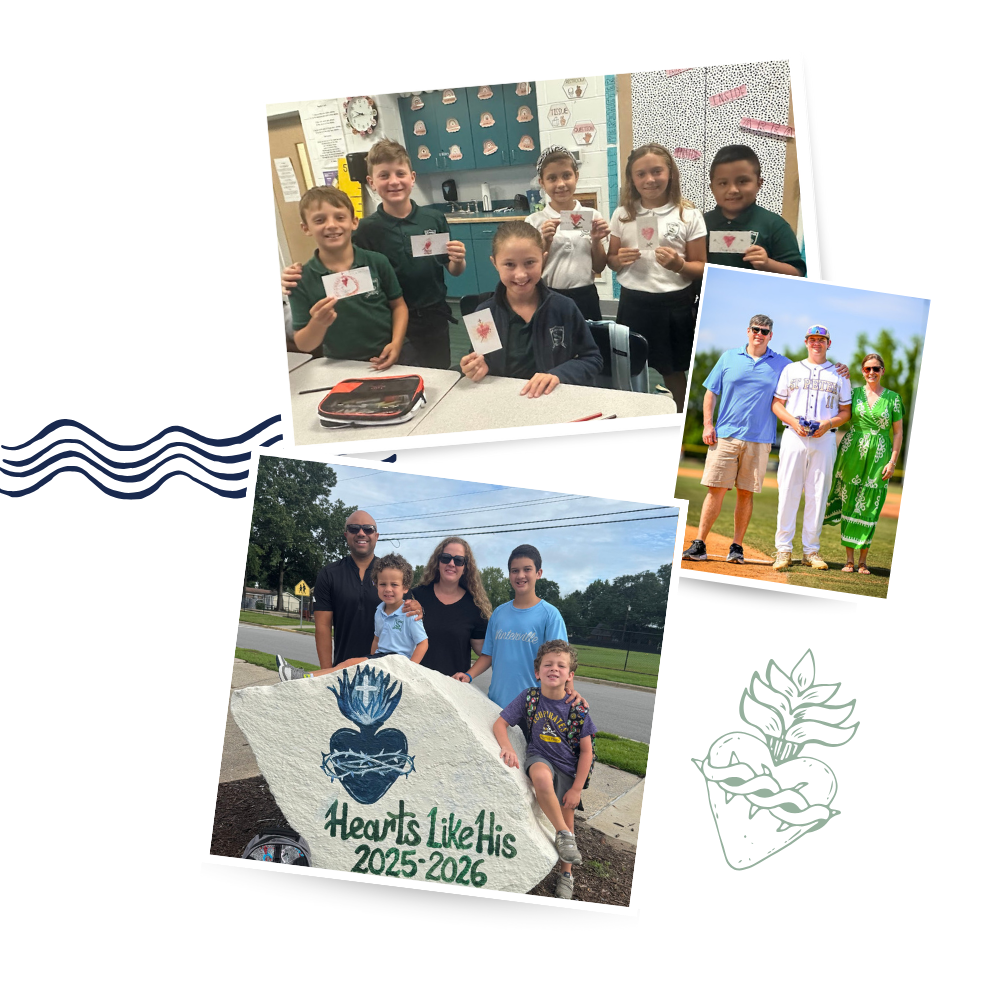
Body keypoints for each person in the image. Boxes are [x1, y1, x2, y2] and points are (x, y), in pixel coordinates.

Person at [283, 140, 467, 370]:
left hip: (434, 314)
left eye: (400, 173)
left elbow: (452, 268)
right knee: (402, 371)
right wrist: (293, 273)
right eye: (384, 175)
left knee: (439, 372)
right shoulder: (364, 230)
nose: (393, 181)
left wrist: (458, 261)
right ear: (371, 182)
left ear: (412, 177)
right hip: (391, 320)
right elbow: (338, 259)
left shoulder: (433, 219)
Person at [682, 317, 849, 565]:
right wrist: (708, 423)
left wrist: (841, 371)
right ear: (748, 331)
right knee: (717, 489)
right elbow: (714, 393)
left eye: (765, 331)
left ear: (771, 335)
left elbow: (836, 400)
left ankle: (747, 548)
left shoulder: (790, 365)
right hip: (729, 434)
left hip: (764, 439)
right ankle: (703, 543)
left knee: (749, 494)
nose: (760, 334)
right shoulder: (736, 358)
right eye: (756, 330)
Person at [493, 640, 595, 900]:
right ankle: (562, 833)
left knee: (568, 820)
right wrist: (507, 747)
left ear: (570, 676)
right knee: (539, 776)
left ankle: (566, 874)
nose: (554, 669)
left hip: (568, 770)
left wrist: (576, 789)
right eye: (548, 664)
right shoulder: (529, 697)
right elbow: (500, 724)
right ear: (537, 671)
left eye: (561, 666)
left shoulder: (577, 709)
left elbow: (587, 752)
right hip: (540, 757)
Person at [607, 143, 706, 403]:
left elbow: (701, 267)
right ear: (632, 179)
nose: (650, 179)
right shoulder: (622, 214)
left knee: (673, 372)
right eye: (641, 174)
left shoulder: (689, 214)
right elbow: (611, 260)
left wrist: (680, 266)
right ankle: (633, 415)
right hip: (634, 303)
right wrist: (619, 260)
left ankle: (681, 419)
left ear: (670, 173)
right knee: (628, 368)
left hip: (673, 306)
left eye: (657, 171)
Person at [459, 222, 603, 398]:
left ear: (543, 259)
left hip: (552, 399)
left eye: (529, 263)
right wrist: (478, 367)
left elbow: (592, 359)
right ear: (495, 263)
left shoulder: (564, 308)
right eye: (509, 264)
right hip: (504, 400)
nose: (521, 274)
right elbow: (481, 360)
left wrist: (558, 375)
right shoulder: (483, 314)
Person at [276, 511, 424, 681]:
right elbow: (323, 628)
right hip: (343, 666)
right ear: (346, 535)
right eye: (354, 528)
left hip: (387, 672)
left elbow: (414, 620)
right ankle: (307, 676)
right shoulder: (329, 574)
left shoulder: (392, 575)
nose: (361, 533)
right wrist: (327, 673)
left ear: (376, 536)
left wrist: (420, 609)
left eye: (368, 529)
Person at [287, 186, 407, 369]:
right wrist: (317, 323)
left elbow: (398, 306)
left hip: (391, 355)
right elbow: (304, 344)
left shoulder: (377, 262)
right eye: (319, 220)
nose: (331, 225)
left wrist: (396, 343)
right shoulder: (300, 280)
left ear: (354, 222)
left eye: (340, 217)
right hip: (341, 364)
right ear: (306, 228)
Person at [452, 544, 584, 709]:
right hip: (496, 704)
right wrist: (468, 676)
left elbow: (562, 661)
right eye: (515, 570)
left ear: (539, 573)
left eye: (527, 569)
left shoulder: (550, 615)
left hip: (534, 708)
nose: (520, 575)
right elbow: (488, 656)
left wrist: (569, 693)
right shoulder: (499, 614)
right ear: (509, 575)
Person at [771, 325, 853, 571]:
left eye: (821, 339)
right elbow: (777, 404)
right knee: (788, 492)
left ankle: (811, 551)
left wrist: (828, 422)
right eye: (812, 339)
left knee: (818, 495)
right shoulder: (791, 369)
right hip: (793, 436)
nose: (816, 343)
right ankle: (783, 550)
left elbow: (846, 412)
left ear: (829, 343)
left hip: (824, 438)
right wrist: (794, 421)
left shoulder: (840, 374)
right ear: (806, 342)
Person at [823, 352, 904, 574]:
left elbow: (898, 433)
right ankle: (849, 560)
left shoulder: (893, 399)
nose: (871, 372)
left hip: (880, 453)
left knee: (870, 503)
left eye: (875, 368)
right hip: (852, 451)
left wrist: (893, 461)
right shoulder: (853, 393)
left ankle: (863, 561)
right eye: (867, 369)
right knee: (850, 499)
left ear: (882, 371)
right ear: (862, 371)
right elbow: (835, 407)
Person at [524, 146, 609, 321]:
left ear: (576, 176)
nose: (561, 184)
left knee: (588, 344)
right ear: (542, 183)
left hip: (585, 296)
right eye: (552, 178)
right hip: (548, 296)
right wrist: (545, 241)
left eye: (566, 175)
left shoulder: (592, 216)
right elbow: (531, 272)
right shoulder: (533, 222)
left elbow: (599, 267)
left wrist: (595, 241)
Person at [703, 145, 806, 276]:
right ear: (712, 187)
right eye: (723, 183)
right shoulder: (701, 223)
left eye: (743, 181)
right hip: (710, 295)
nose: (733, 190)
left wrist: (767, 264)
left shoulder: (775, 225)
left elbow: (798, 273)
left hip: (758, 295)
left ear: (759, 183)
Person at [409, 537, 492, 678]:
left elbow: (487, 652)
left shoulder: (475, 607)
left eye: (459, 560)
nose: (452, 563)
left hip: (452, 690)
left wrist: (469, 675)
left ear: (466, 567)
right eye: (446, 558)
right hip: (415, 685)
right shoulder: (415, 597)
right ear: (437, 562)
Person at [334, 554, 428, 669]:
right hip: (380, 659)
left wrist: (411, 668)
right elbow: (376, 640)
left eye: (394, 584)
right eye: (383, 584)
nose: (388, 589)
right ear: (376, 585)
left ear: (405, 587)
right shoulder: (379, 611)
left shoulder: (410, 613)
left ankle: (311, 676)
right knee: (348, 665)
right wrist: (372, 662)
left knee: (348, 664)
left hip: (399, 662)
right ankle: (310, 676)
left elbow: (423, 643)